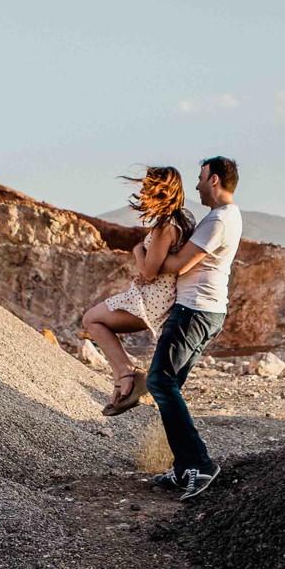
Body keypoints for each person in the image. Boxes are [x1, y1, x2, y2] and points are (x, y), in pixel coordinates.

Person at [144, 156, 242, 500]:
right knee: (169, 385)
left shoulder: (218, 220)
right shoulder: (225, 217)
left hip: (193, 311)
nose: (197, 185)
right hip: (205, 311)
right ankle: (185, 467)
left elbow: (175, 264)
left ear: (214, 180)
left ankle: (199, 464)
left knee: (159, 381)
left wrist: (143, 257)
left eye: (201, 179)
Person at [80, 166, 194, 415]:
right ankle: (125, 379)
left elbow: (149, 272)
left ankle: (127, 377)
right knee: (93, 319)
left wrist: (137, 250)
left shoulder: (166, 227)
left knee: (92, 319)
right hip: (155, 296)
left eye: (147, 188)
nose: (142, 193)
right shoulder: (184, 219)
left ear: (162, 191)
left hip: (151, 300)